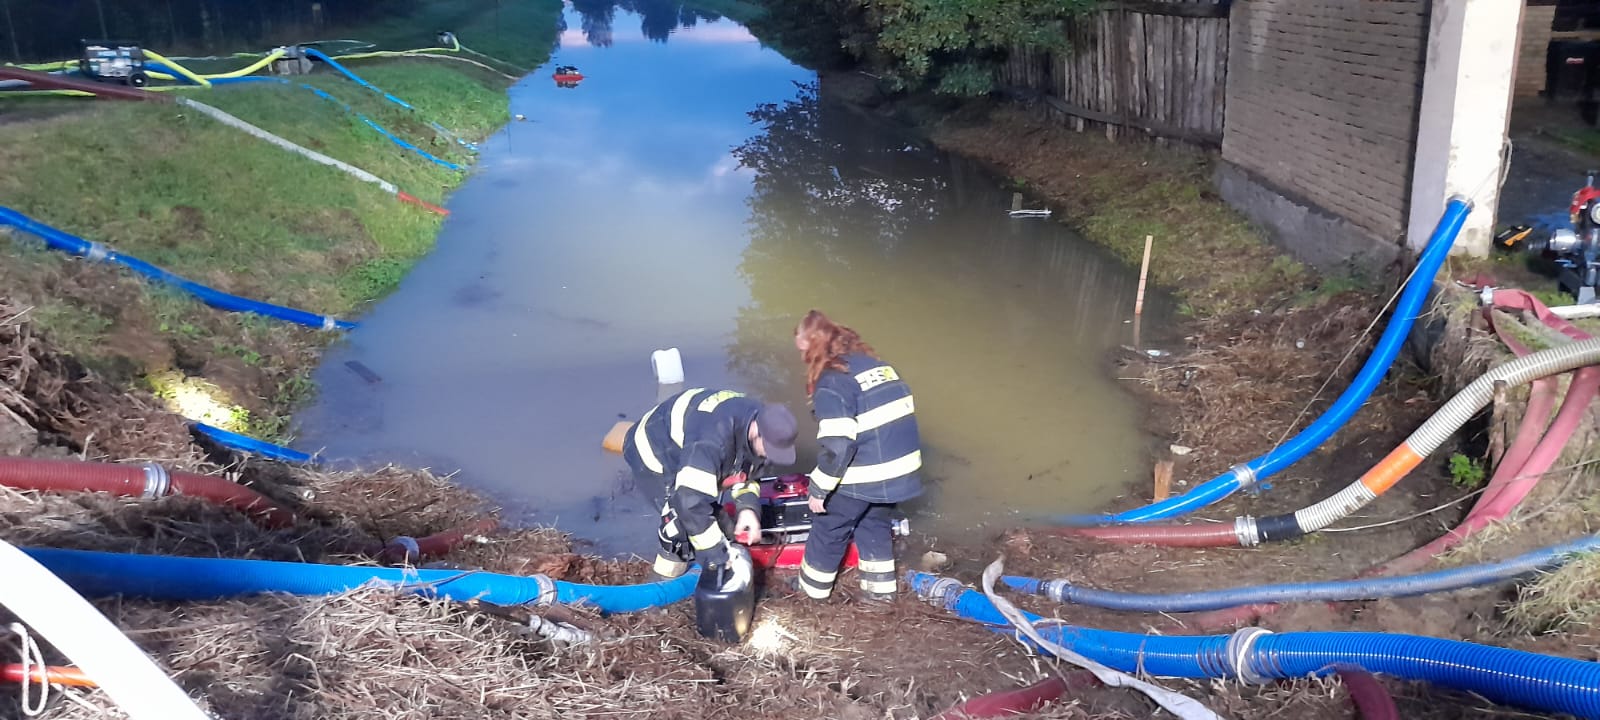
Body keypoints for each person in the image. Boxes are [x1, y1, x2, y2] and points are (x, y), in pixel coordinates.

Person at [793, 310, 923, 601]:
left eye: (803, 351)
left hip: (870, 473)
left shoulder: (832, 382)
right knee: (873, 523)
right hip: (900, 473)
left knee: (829, 527)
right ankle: (880, 597)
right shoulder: (880, 367)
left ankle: (811, 594)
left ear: (814, 347)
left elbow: (838, 445)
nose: (804, 360)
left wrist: (819, 490)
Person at [622, 388, 800, 583]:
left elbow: (749, 471)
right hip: (654, 451)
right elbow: (689, 503)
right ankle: (664, 580)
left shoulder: (765, 423)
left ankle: (707, 553)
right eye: (769, 450)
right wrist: (719, 556)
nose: (769, 456)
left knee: (709, 513)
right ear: (756, 432)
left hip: (696, 441)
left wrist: (748, 509)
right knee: (677, 521)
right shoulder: (712, 440)